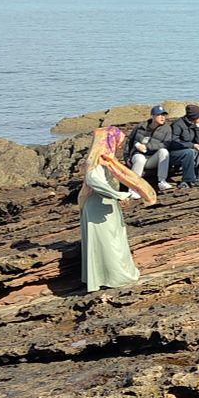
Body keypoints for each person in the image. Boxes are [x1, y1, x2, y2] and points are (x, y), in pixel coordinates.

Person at [79, 126, 156, 293]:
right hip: (97, 208)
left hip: (106, 205)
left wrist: (117, 196)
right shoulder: (96, 161)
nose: (119, 146)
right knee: (108, 244)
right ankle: (115, 277)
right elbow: (93, 180)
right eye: (116, 142)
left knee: (112, 241)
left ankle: (106, 277)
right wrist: (118, 194)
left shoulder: (107, 160)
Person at [122, 105, 173, 195]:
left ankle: (162, 181)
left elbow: (166, 144)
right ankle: (133, 189)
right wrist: (126, 158)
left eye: (164, 115)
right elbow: (129, 142)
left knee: (164, 152)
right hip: (137, 156)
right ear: (152, 116)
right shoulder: (140, 126)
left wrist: (148, 146)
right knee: (140, 159)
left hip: (152, 159)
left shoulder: (167, 129)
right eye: (159, 115)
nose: (162, 117)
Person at [168, 104, 199, 189]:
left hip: (188, 150)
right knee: (189, 152)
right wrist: (191, 145)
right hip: (174, 153)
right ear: (194, 117)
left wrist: (198, 128)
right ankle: (188, 180)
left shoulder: (194, 124)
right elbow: (173, 142)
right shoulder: (177, 125)